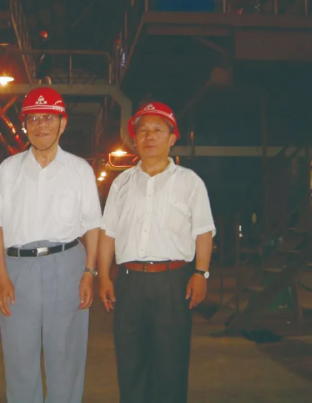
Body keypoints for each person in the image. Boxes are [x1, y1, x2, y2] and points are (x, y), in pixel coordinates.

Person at [0, 87, 102, 403]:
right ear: (25, 125)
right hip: (18, 270)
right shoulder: (8, 170)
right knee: (19, 357)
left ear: (63, 123)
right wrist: (1, 277)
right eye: (33, 118)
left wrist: (89, 273)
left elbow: (92, 227)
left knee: (66, 357)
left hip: (67, 265)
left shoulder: (79, 170)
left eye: (49, 118)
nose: (41, 125)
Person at [98, 102, 215, 403]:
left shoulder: (189, 182)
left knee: (170, 364)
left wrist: (201, 273)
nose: (149, 136)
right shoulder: (121, 183)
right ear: (135, 139)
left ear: (172, 138)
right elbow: (108, 233)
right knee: (130, 363)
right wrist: (104, 276)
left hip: (172, 283)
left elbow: (203, 231)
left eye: (157, 130)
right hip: (129, 283)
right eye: (143, 131)